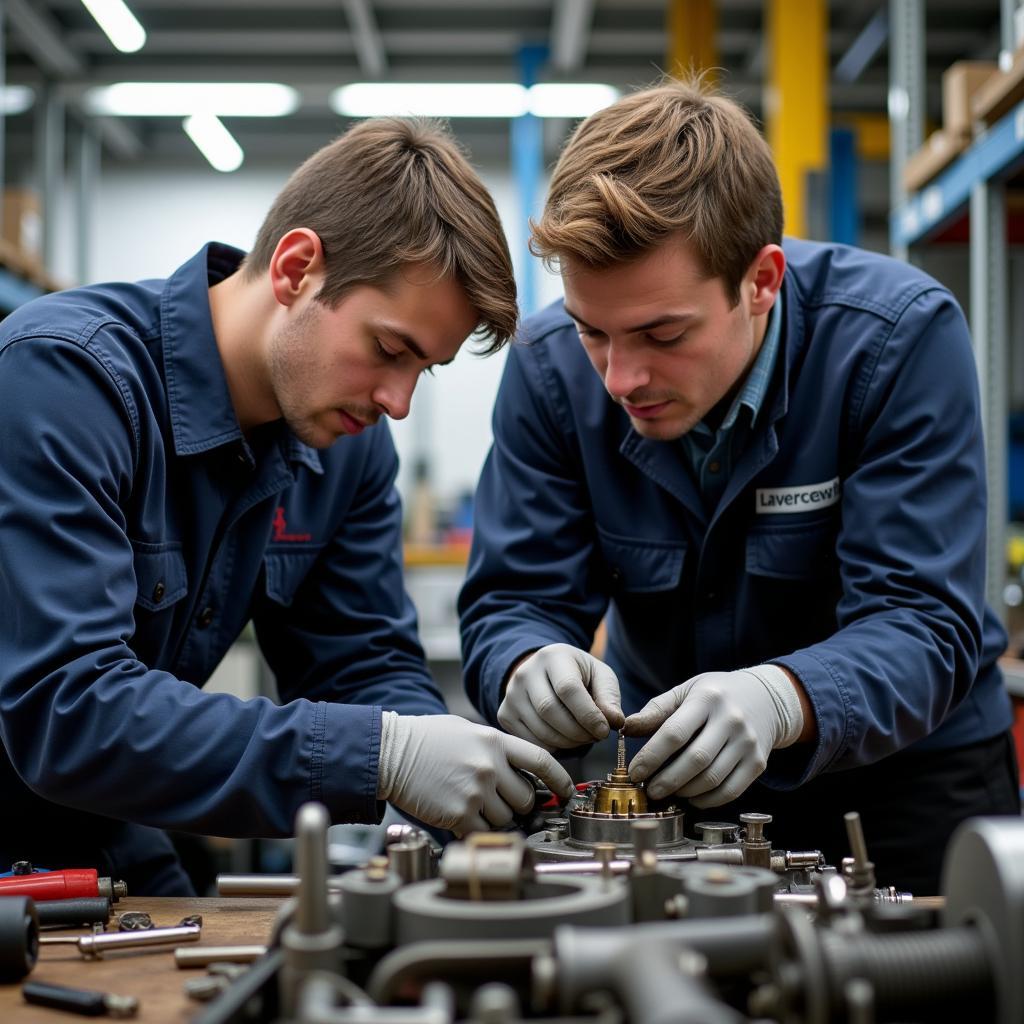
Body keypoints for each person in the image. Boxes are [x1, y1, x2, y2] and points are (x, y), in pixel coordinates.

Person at [458, 79, 1020, 895]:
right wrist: (522, 661)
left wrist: (783, 698)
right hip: (672, 792)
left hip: (908, 789)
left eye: (663, 333)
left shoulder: (895, 341)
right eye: (593, 331)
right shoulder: (548, 371)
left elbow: (924, 619)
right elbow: (514, 597)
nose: (620, 377)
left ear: (761, 280)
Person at [0, 117, 573, 895]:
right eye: (389, 349)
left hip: (89, 821)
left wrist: (477, 799)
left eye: (424, 370)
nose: (397, 403)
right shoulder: (66, 382)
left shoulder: (347, 445)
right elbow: (69, 713)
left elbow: (361, 660)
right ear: (297, 268)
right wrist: (382, 757)